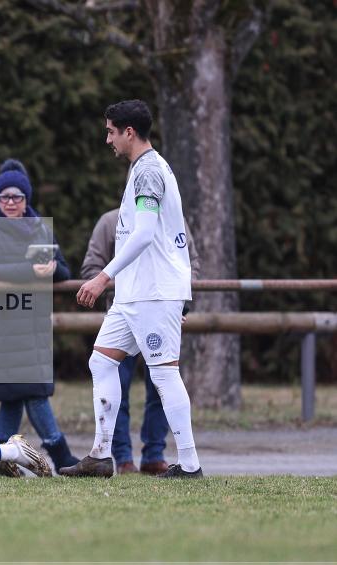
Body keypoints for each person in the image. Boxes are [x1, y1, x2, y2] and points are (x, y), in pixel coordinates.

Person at [63, 99, 203, 478]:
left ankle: (190, 465)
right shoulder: (142, 170)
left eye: (111, 131)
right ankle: (100, 456)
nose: (107, 138)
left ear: (129, 132)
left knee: (163, 374)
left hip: (154, 293)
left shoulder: (149, 172)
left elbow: (143, 235)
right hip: (133, 295)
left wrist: (102, 276)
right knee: (102, 360)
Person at [0, 159, 78, 472]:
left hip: (32, 324)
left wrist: (52, 270)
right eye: (4, 197)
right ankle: (62, 457)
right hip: (1, 322)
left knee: (14, 395)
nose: (11, 203)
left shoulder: (39, 227)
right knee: (34, 391)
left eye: (17, 197)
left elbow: (65, 270)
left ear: (27, 199)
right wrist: (30, 271)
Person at [81, 209, 200, 475]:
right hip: (125, 307)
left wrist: (176, 305)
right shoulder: (111, 221)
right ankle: (113, 456)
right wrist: (110, 285)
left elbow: (188, 261)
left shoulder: (169, 214)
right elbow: (91, 265)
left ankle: (171, 458)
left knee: (162, 378)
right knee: (103, 366)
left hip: (156, 307)